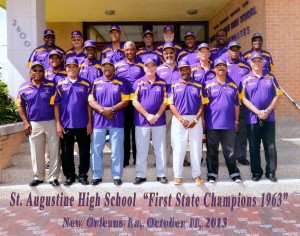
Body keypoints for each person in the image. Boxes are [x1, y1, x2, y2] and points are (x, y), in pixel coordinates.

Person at [16, 61, 60, 186]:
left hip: (51, 121)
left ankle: (53, 177)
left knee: (54, 149)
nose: (37, 72)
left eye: (40, 70)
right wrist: (25, 122)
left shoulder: (51, 85)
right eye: (34, 70)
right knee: (36, 151)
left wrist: (58, 123)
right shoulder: (24, 87)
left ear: (44, 72)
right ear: (30, 72)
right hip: (34, 123)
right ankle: (38, 177)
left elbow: (57, 104)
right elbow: (20, 106)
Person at [239, 52, 282, 182]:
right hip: (252, 118)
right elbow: (243, 99)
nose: (256, 63)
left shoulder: (270, 77)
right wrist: (257, 112)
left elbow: (278, 95)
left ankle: (271, 172)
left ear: (263, 62)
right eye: (254, 61)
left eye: (259, 61)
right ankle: (256, 172)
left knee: (270, 146)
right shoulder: (245, 79)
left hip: (268, 118)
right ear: (250, 63)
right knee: (254, 146)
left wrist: (267, 110)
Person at [89, 58, 130, 186]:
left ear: (114, 68)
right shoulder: (96, 82)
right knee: (96, 149)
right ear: (101, 68)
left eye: (109, 66)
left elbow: (126, 101)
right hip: (99, 121)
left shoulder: (121, 82)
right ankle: (97, 176)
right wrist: (102, 110)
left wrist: (111, 109)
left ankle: (117, 176)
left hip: (116, 121)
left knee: (117, 150)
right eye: (104, 66)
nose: (107, 68)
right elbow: (91, 100)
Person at [52, 58, 92, 185]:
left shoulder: (86, 84)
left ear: (78, 68)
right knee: (66, 152)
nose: (71, 69)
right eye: (69, 67)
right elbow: (56, 105)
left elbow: (89, 105)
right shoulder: (60, 84)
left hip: (83, 123)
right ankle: (69, 176)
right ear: (66, 69)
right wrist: (58, 123)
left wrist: (90, 122)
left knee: (84, 151)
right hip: (66, 124)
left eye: (74, 67)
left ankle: (82, 175)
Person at [168, 60, 206, 185]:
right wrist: (181, 119)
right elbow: (171, 104)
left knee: (196, 148)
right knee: (178, 148)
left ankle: (197, 176)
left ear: (190, 70)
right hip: (179, 119)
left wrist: (196, 119)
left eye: (186, 69)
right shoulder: (174, 85)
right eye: (182, 69)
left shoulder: (199, 85)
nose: (184, 71)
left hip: (195, 119)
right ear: (179, 71)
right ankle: (178, 176)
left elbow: (202, 104)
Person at [204, 58, 242, 183]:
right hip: (212, 124)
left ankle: (234, 173)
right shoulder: (208, 85)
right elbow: (203, 105)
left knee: (230, 151)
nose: (221, 68)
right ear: (214, 69)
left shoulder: (233, 86)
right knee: (212, 151)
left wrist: (236, 121)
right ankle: (212, 174)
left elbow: (237, 105)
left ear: (226, 68)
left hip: (229, 124)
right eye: (218, 66)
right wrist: (203, 121)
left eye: (223, 66)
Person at [132, 58, 168, 184]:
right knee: (142, 149)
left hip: (159, 120)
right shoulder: (138, 82)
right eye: (147, 66)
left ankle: (161, 174)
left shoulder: (162, 83)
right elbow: (134, 101)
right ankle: (140, 175)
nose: (150, 68)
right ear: (144, 68)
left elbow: (165, 101)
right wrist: (147, 115)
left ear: (156, 68)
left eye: (152, 66)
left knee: (160, 148)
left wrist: (157, 115)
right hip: (142, 121)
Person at [115, 41, 145, 167]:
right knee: (125, 132)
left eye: (132, 49)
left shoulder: (142, 65)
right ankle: (125, 159)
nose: (130, 52)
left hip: (137, 102)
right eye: (127, 50)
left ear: (136, 50)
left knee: (137, 132)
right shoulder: (117, 65)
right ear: (124, 51)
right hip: (123, 103)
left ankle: (137, 160)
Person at [221, 41, 251, 165]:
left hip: (242, 103)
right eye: (231, 49)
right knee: (227, 129)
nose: (234, 51)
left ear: (239, 51)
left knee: (242, 130)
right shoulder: (223, 65)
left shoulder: (245, 67)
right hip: (228, 102)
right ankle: (228, 154)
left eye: (236, 49)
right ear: (227, 51)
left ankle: (241, 155)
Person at [156, 43, 181, 165]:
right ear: (162, 55)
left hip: (180, 107)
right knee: (165, 134)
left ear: (175, 54)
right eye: (166, 53)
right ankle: (164, 160)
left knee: (180, 134)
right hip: (165, 107)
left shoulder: (181, 68)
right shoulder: (158, 70)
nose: (169, 55)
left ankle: (182, 159)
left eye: (171, 52)